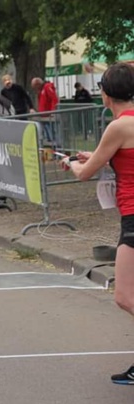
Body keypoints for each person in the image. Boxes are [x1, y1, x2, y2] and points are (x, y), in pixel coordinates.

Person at [60, 63, 134, 384]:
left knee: (124, 296)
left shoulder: (118, 126)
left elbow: (87, 173)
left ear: (105, 93)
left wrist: (71, 164)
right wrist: (94, 155)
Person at [31, 77, 59, 144]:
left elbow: (54, 99)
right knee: (47, 136)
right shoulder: (42, 90)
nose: (35, 89)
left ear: (38, 85)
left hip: (48, 116)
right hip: (44, 116)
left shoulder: (47, 87)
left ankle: (54, 147)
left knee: (51, 135)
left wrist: (53, 111)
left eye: (35, 87)